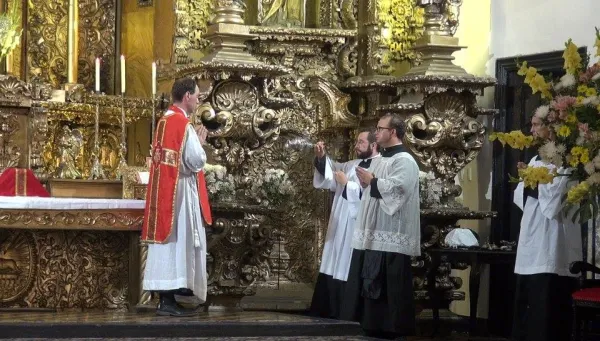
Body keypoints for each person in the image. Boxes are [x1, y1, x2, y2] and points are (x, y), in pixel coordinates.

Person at [341, 113, 421, 340]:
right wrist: (369, 181)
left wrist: (372, 181)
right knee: (370, 278)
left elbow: (400, 189)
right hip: (375, 231)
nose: (376, 132)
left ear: (392, 132)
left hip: (391, 232)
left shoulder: (404, 160)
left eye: (380, 128)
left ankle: (391, 327)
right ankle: (371, 323)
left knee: (389, 283)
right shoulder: (382, 158)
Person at [141, 77, 212, 317]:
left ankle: (168, 296)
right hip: (179, 192)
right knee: (178, 241)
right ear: (187, 96)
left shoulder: (164, 121)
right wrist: (201, 144)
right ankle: (169, 299)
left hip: (166, 190)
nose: (198, 99)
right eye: (197, 95)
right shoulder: (182, 124)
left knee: (168, 244)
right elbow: (195, 160)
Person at [511, 115, 582, 341]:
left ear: (550, 128)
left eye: (535, 125)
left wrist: (531, 182)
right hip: (530, 241)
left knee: (548, 312)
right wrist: (530, 179)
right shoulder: (534, 160)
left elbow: (552, 201)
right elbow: (519, 194)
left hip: (552, 242)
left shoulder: (565, 162)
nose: (531, 130)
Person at [309, 129, 380, 319]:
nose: (356, 146)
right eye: (357, 142)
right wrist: (322, 157)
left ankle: (348, 310)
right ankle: (330, 308)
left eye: (361, 142)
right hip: (340, 220)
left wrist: (348, 184)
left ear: (373, 145)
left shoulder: (381, 166)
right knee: (334, 257)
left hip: (358, 223)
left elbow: (375, 196)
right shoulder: (351, 164)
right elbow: (331, 176)